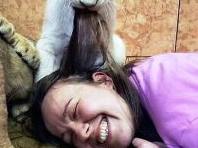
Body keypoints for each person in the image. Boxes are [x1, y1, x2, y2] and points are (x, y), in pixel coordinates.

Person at [31, 52, 198, 148]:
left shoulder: (164, 83)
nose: (82, 134)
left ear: (103, 81)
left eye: (74, 111)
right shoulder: (138, 120)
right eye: (70, 137)